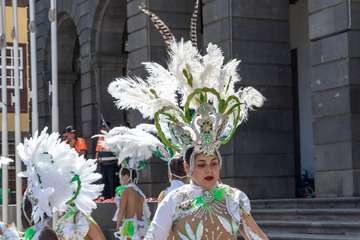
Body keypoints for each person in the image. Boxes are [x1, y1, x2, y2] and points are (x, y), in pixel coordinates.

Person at [107, 2, 269, 239]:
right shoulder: (174, 200)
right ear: (187, 167)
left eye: (213, 162)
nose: (209, 169)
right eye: (201, 164)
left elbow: (256, 236)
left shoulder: (234, 198)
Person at [95, 121, 119, 198]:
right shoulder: (101, 137)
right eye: (103, 128)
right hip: (103, 163)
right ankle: (105, 195)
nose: (103, 129)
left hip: (112, 163)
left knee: (112, 180)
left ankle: (113, 195)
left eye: (105, 127)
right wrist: (97, 159)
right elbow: (98, 150)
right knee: (104, 180)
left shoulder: (113, 137)